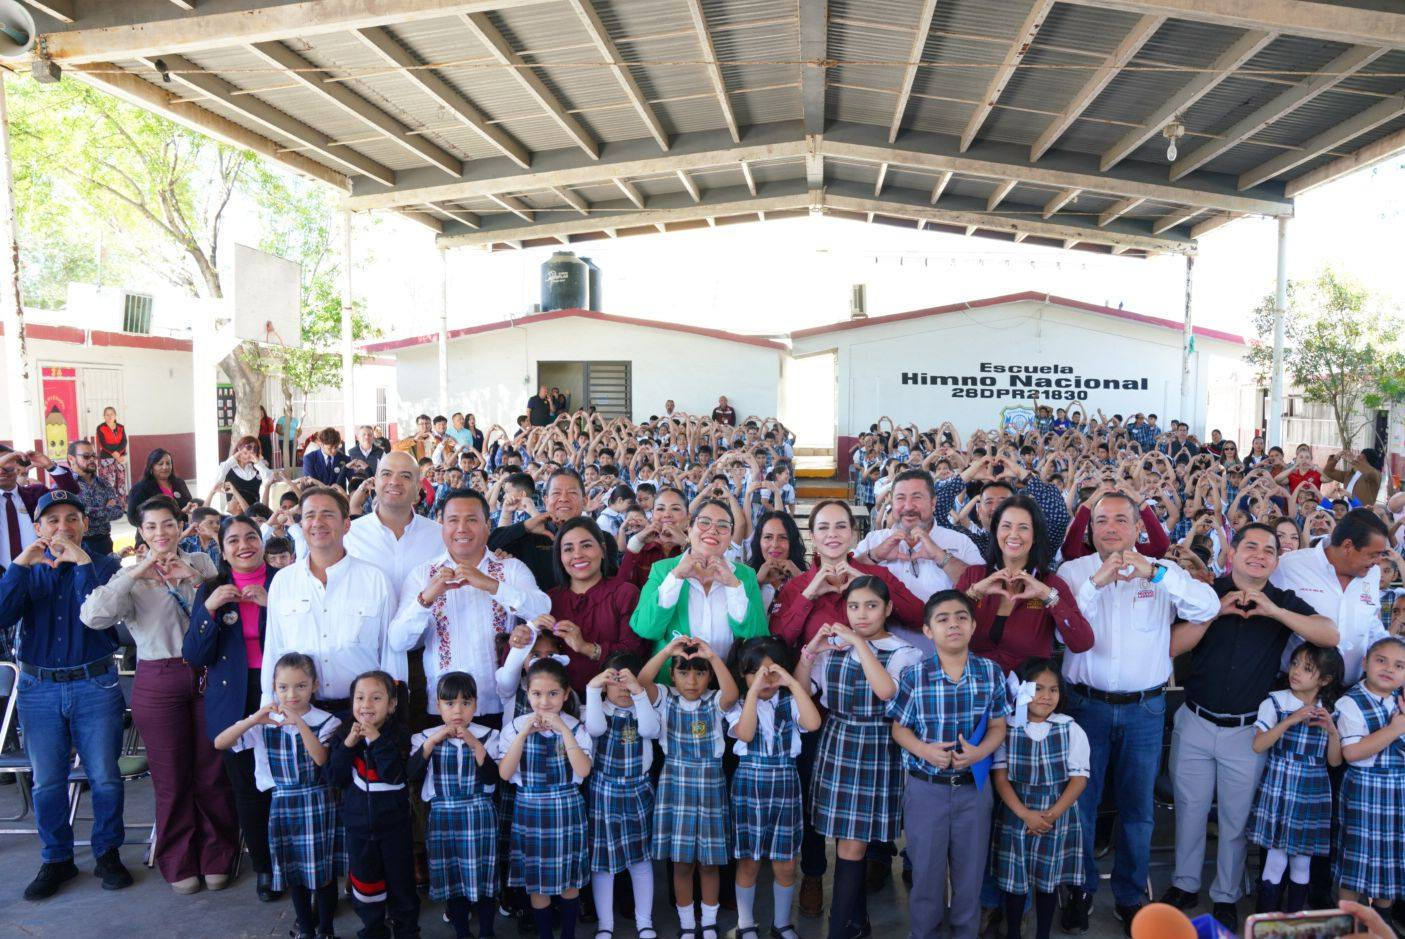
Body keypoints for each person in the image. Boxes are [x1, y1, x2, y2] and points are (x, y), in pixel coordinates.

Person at [1160, 522, 1338, 931]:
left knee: (1236, 819)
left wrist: (1274, 611)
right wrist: (1213, 612)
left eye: (1269, 550)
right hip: (1195, 721)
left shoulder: (1283, 599)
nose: (1259, 555)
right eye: (1251, 547)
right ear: (1233, 553)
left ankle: (1226, 893)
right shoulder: (1206, 592)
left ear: (1277, 560)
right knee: (1190, 809)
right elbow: (1170, 646)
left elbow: (1330, 633)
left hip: (1248, 731)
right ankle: (1185, 885)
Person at [1056, 491, 1219, 933]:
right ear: (1090, 530)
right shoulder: (1074, 572)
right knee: (1081, 806)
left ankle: (1130, 894)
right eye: (1101, 520)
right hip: (1086, 706)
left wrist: (1158, 572)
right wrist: (1097, 584)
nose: (1110, 528)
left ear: (1137, 528)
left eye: (1120, 520)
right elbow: (1065, 627)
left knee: (1137, 810)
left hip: (1145, 710)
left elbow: (1208, 607)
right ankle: (1080, 887)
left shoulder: (1162, 573)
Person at [80, 497, 236, 894]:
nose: (161, 534)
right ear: (141, 532)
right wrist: (134, 575)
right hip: (157, 676)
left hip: (206, 674)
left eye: (168, 525)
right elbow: (94, 617)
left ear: (180, 524)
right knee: (170, 776)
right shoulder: (129, 573)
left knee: (211, 771)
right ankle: (178, 858)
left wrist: (196, 579)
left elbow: (228, 608)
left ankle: (218, 853)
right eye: (151, 527)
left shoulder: (201, 562)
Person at [0, 490, 132, 900]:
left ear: (84, 525)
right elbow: (3, 616)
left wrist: (81, 566)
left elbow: (97, 616)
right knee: (47, 783)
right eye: (52, 520)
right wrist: (19, 567)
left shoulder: (105, 565)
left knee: (105, 777)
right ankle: (57, 858)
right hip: (38, 689)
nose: (62, 527)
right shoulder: (26, 570)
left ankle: (107, 852)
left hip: (94, 684)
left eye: (71, 518)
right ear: (38, 528)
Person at [794, 577, 921, 939]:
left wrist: (859, 644)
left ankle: (839, 928)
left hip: (878, 746)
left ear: (887, 609)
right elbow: (804, 692)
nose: (861, 614)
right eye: (853, 606)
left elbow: (887, 693)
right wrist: (811, 651)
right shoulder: (835, 648)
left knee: (854, 841)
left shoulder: (903, 652)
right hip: (836, 740)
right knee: (844, 838)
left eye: (870, 606)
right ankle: (856, 921)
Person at [887, 589, 1009, 939]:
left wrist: (979, 752)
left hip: (973, 792)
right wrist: (924, 750)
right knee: (926, 876)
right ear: (928, 631)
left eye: (960, 617)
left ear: (973, 626)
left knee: (969, 877)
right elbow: (899, 729)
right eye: (942, 619)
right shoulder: (916, 675)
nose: (952, 624)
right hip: (926, 791)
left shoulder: (990, 673)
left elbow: (999, 726)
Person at [184, 514, 282, 902]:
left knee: (287, 785)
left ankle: (296, 861)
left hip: (279, 692)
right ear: (222, 550)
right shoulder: (211, 587)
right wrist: (208, 610)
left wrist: (271, 605)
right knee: (247, 790)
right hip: (234, 698)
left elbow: (305, 634)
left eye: (251, 537)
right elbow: (194, 654)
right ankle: (264, 867)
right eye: (234, 540)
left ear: (262, 540)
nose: (244, 545)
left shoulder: (284, 581)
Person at [390, 488, 549, 722]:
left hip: (500, 705)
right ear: (441, 526)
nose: (462, 529)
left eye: (472, 520)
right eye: (453, 520)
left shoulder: (510, 569)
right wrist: (426, 599)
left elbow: (543, 609)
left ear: (487, 525)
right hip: (442, 709)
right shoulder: (423, 575)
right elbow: (398, 641)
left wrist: (492, 585)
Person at [214, 653, 342, 939]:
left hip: (317, 803)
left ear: (314, 686)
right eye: (283, 687)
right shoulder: (265, 723)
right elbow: (220, 742)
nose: (291, 694)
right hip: (283, 804)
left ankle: (327, 929)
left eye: (300, 686)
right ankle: (306, 929)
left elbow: (320, 758)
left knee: (323, 872)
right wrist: (254, 719)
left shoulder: (327, 721)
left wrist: (299, 722)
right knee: (293, 871)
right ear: (273, 687)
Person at [261, 486, 399, 712]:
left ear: (346, 524)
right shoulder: (283, 581)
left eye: (327, 514)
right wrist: (269, 701)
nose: (317, 522)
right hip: (300, 712)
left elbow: (390, 653)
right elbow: (274, 648)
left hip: (362, 713)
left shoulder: (375, 580)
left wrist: (392, 709)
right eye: (309, 516)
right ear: (301, 524)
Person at [639, 635, 741, 939]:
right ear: (672, 675)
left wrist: (712, 657)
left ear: (709, 674)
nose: (692, 681)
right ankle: (686, 924)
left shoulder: (715, 701)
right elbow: (642, 681)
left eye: (700, 672)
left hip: (710, 783)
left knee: (709, 863)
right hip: (676, 783)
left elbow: (733, 693)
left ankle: (708, 922)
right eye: (683, 672)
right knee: (682, 863)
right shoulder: (666, 698)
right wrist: (669, 651)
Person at [989, 658, 1090, 939]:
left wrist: (1050, 816)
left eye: (1053, 690)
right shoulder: (1006, 729)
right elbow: (1000, 778)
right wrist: (1025, 815)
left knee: (1048, 883)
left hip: (1056, 816)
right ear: (1021, 690)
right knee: (1015, 884)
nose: (1046, 696)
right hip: (1016, 813)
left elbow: (1079, 780)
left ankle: (1042, 934)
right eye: (1038, 688)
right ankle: (1013, 933)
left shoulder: (1070, 728)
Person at [728, 637, 822, 939]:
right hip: (749, 786)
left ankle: (781, 923)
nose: (764, 679)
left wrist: (793, 684)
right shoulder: (736, 706)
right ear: (742, 674)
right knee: (749, 861)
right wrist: (754, 692)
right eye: (754, 672)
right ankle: (745, 924)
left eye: (770, 671)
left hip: (785, 786)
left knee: (785, 863)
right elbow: (745, 732)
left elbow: (813, 723)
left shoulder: (791, 701)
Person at [497, 657, 593, 939]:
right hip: (530, 809)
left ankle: (567, 935)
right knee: (537, 882)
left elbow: (583, 770)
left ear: (565, 694)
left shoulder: (575, 728)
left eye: (553, 694)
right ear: (527, 694)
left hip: (567, 810)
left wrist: (563, 730)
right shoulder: (514, 728)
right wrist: (524, 732)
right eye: (537, 694)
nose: (545, 701)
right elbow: (505, 773)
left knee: (569, 882)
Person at [1246, 643, 1345, 914]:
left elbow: (1334, 761)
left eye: (1307, 668)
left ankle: (1293, 923)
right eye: (1294, 663)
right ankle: (1265, 921)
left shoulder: (1330, 710)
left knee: (1302, 863)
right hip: (1280, 783)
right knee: (1275, 859)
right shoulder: (1275, 702)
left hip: (1313, 788)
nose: (1296, 672)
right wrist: (1290, 720)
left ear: (1325, 680)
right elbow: (1258, 745)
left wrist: (1332, 731)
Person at [327, 670, 420, 939]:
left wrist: (377, 741)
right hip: (358, 829)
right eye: (360, 697)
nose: (366, 705)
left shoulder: (400, 736)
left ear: (392, 705)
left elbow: (395, 775)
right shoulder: (345, 734)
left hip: (394, 828)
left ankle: (407, 931)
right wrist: (347, 745)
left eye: (376, 698)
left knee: (402, 887)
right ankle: (373, 930)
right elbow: (334, 776)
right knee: (367, 889)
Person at [957, 494, 1094, 675]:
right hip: (974, 692)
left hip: (1028, 698)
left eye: (1023, 528)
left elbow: (1082, 642)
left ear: (1035, 535)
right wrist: (975, 593)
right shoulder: (974, 576)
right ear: (996, 530)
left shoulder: (1051, 584)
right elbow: (943, 627)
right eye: (1006, 526)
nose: (1013, 535)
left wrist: (1048, 596)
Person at [409, 672, 501, 939]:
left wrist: (472, 742)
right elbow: (412, 774)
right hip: (443, 817)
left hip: (479, 815)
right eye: (449, 704)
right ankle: (462, 931)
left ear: (476, 705)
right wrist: (434, 740)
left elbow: (491, 777)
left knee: (484, 878)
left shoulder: (488, 736)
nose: (457, 710)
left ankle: (487, 931)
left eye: (465, 703)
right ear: (438, 706)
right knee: (453, 880)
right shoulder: (424, 737)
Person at [854, 469, 983, 652]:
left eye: (917, 497)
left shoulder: (959, 542)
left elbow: (982, 587)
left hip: (945, 650)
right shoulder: (873, 541)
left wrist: (941, 556)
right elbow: (843, 576)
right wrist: (874, 556)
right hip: (880, 651)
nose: (908, 506)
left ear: (933, 503)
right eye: (900, 498)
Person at [630, 499, 769, 667]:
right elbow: (646, 629)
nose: (713, 530)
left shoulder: (744, 575)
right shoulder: (663, 569)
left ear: (731, 536)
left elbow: (758, 636)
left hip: (728, 685)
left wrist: (733, 586)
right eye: (704, 522)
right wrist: (676, 577)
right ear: (689, 529)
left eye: (723, 525)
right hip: (673, 684)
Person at [583, 652, 660, 939]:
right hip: (604, 790)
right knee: (602, 862)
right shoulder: (596, 709)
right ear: (605, 685)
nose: (623, 689)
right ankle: (606, 924)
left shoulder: (646, 708)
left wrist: (640, 694)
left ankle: (644, 921)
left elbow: (650, 730)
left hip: (638, 789)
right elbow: (595, 729)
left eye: (629, 683)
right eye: (616, 683)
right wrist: (592, 690)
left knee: (640, 860)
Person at [1271, 509, 1391, 686]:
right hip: (1296, 696)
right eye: (1373, 554)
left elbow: (1371, 625)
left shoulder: (1372, 574)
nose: (1378, 561)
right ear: (1348, 546)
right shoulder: (1288, 567)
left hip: (1351, 692)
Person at [1334, 635, 1405, 918]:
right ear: (1365, 663)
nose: (1389, 669)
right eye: (1381, 660)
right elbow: (1352, 753)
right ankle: (1348, 922)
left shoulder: (1399, 702)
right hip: (1365, 790)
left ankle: (1382, 924)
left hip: (1398, 789)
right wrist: (1395, 728)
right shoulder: (1351, 702)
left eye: (1399, 665)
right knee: (1357, 860)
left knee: (1391, 860)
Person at [544, 517, 643, 693]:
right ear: (560, 557)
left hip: (614, 703)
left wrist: (586, 647)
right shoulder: (548, 600)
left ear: (603, 550)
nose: (577, 554)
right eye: (568, 549)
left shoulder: (625, 593)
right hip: (559, 705)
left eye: (586, 545)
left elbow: (634, 653)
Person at [490, 469, 617, 590]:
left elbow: (610, 580)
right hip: (539, 611)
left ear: (584, 500)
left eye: (572, 493)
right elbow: (491, 546)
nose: (563, 498)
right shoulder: (529, 535)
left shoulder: (602, 539)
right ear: (546, 500)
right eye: (556, 493)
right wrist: (525, 524)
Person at [0, 446, 79, 570]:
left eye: (7, 464)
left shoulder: (35, 493)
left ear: (17, 465)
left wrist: (49, 466)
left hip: (40, 571)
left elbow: (71, 492)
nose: (2, 470)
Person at [618, 486, 689, 589]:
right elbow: (622, 588)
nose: (667, 514)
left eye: (675, 509)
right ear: (652, 515)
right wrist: (635, 543)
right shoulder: (642, 546)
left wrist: (687, 546)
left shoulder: (700, 546)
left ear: (688, 517)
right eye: (660, 509)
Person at [65, 440, 125, 557]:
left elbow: (119, 511)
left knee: (109, 574)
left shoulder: (104, 483)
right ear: (71, 459)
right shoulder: (65, 485)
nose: (92, 459)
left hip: (104, 543)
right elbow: (75, 516)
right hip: (78, 544)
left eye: (93, 456)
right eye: (86, 456)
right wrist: (106, 508)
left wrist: (87, 513)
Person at [126, 448, 196, 527]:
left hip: (183, 532)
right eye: (160, 464)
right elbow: (133, 518)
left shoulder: (179, 483)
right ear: (151, 467)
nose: (165, 467)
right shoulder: (140, 488)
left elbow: (188, 504)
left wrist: (191, 508)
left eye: (168, 463)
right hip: (155, 536)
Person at [206, 436, 272, 509]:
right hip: (234, 512)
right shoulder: (228, 467)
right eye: (249, 447)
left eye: (255, 449)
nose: (252, 451)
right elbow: (216, 483)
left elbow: (269, 480)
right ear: (239, 448)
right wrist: (234, 457)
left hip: (254, 512)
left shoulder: (258, 468)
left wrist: (257, 462)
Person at [95, 406, 130, 499]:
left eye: (111, 414)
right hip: (106, 459)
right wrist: (115, 454)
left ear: (115, 416)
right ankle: (110, 506)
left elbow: (124, 442)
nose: (109, 416)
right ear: (104, 416)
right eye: (107, 415)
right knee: (108, 483)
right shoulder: (100, 428)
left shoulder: (121, 427)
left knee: (121, 482)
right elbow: (103, 443)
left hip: (120, 458)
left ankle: (121, 505)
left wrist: (118, 453)